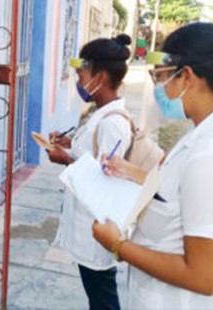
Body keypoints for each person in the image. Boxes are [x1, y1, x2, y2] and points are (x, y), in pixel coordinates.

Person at [93, 22, 213, 309]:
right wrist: (130, 171)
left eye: (162, 78)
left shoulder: (210, 155)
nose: (158, 88)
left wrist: (118, 246)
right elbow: (181, 193)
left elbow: (204, 276)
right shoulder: (204, 132)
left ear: (188, 77)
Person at [46, 34, 133, 309]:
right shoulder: (100, 115)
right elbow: (96, 156)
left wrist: (67, 161)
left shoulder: (112, 124)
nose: (79, 82)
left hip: (97, 232)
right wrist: (70, 145)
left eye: (82, 76)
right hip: (87, 228)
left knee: (103, 300)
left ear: (102, 77)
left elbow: (105, 178)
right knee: (97, 297)